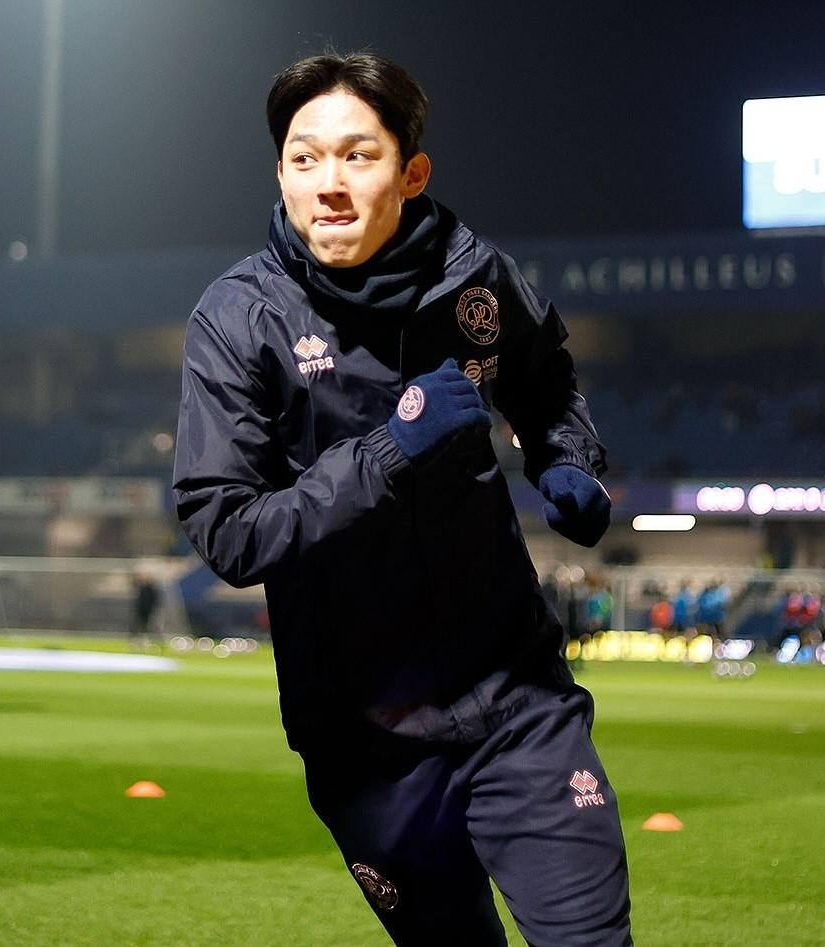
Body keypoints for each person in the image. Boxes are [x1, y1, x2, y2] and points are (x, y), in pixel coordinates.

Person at [173, 51, 631, 945]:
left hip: (516, 700)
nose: (328, 184)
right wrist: (390, 449)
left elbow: (543, 378)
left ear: (411, 172)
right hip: (364, 738)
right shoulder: (236, 319)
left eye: (358, 156)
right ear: (280, 174)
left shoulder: (474, 275)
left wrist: (565, 457)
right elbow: (228, 531)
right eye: (304, 159)